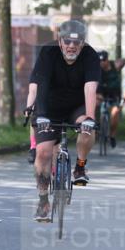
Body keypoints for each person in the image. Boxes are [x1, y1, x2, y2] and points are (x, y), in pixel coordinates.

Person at [28, 19, 100, 222]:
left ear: (83, 43)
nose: (71, 46)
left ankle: (80, 166)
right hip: (49, 107)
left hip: (77, 107)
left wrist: (90, 118)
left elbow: (90, 88)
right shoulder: (48, 52)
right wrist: (40, 113)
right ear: (60, 41)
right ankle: (43, 202)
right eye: (67, 41)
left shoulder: (90, 55)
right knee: (42, 153)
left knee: (87, 130)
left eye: (76, 43)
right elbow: (40, 82)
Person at [96, 50, 125, 149]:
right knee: (94, 105)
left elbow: (123, 60)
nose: (101, 63)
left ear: (107, 60)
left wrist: (116, 63)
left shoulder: (114, 66)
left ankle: (112, 135)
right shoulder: (97, 69)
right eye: (99, 61)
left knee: (115, 114)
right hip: (101, 94)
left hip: (114, 95)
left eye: (103, 60)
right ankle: (97, 127)